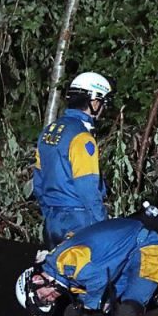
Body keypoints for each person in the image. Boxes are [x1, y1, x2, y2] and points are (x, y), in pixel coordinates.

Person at [14, 203, 158, 316]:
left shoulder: (64, 262)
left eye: (44, 298)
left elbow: (98, 277)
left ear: (36, 280)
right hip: (122, 258)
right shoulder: (63, 273)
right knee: (81, 313)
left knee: (129, 310)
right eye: (48, 302)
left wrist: (90, 307)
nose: (51, 298)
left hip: (146, 246)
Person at [32, 72, 113, 246]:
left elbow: (38, 181)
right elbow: (87, 188)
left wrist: (48, 213)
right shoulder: (82, 138)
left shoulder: (49, 131)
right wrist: (103, 225)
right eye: (103, 104)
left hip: (52, 220)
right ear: (94, 102)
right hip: (79, 220)